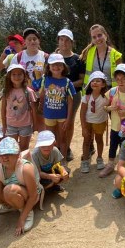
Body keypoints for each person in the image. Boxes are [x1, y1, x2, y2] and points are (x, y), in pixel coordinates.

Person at [0, 137, 42, 239]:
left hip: (30, 196)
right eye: (1, 155)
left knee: (9, 190)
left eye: (9, 154)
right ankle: (10, 205)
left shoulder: (26, 168)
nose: (5, 157)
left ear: (18, 155)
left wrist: (22, 218)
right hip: (14, 193)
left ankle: (26, 212)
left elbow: (34, 195)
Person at [99, 64, 125, 177]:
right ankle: (110, 165)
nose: (120, 81)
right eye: (118, 79)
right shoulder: (112, 92)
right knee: (113, 146)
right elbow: (104, 107)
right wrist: (109, 108)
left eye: (123, 79)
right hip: (115, 126)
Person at [40, 54, 76, 162]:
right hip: (49, 115)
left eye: (59, 64)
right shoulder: (45, 79)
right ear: (49, 67)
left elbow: (70, 102)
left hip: (62, 116)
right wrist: (40, 108)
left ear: (64, 66)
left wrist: (69, 119)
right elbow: (41, 95)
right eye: (53, 65)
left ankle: (63, 161)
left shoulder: (67, 82)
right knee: (50, 140)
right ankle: (52, 161)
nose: (56, 67)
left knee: (63, 139)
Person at [57, 28, 84, 161]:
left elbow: (82, 80)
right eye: (62, 40)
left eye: (67, 40)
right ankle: (57, 149)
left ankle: (66, 148)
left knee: (69, 122)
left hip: (73, 96)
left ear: (72, 42)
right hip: (55, 96)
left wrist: (67, 85)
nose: (64, 43)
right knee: (56, 122)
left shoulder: (78, 59)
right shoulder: (53, 58)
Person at [0, 63, 37, 152]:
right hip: (11, 125)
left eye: (20, 74)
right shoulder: (6, 91)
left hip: (25, 125)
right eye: (14, 74)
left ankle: (23, 165)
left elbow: (33, 110)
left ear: (24, 76)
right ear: (9, 76)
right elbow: (3, 110)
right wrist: (4, 126)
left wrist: (35, 125)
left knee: (24, 148)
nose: (17, 77)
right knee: (12, 149)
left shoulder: (29, 91)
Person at [79, 71, 109, 173]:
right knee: (86, 140)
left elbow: (109, 109)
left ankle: (99, 158)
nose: (95, 83)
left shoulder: (106, 98)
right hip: (88, 122)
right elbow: (82, 113)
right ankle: (85, 160)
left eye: (98, 81)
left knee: (99, 140)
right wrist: (83, 127)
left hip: (100, 122)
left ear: (103, 84)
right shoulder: (86, 97)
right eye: (93, 81)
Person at [81, 24, 123, 88]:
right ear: (92, 40)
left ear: (105, 35)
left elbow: (121, 77)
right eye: (94, 37)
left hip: (110, 92)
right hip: (93, 91)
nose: (97, 39)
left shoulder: (116, 55)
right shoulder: (88, 52)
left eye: (99, 35)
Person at [31, 130, 69, 195]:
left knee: (66, 172)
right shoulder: (35, 154)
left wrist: (63, 171)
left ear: (54, 143)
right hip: (39, 176)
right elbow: (37, 173)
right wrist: (50, 176)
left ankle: (52, 186)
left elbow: (59, 164)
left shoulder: (55, 150)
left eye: (49, 144)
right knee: (48, 181)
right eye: (43, 145)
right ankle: (42, 190)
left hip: (51, 171)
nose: (46, 148)